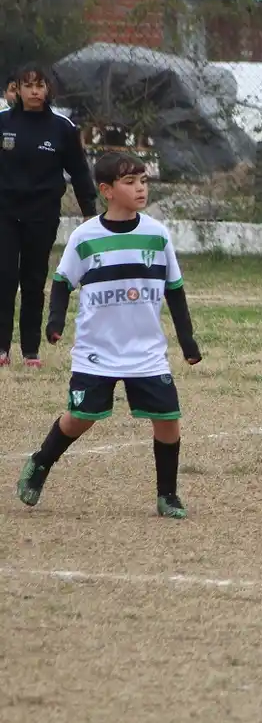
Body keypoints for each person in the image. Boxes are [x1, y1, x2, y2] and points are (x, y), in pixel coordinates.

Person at [14, 151, 200, 517]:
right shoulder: (85, 236)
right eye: (130, 182)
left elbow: (174, 289)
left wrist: (187, 339)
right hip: (96, 349)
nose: (140, 188)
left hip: (146, 350)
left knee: (168, 419)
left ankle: (167, 495)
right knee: (79, 418)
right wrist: (54, 321)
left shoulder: (157, 235)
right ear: (107, 191)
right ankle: (40, 463)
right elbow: (63, 281)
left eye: (143, 181)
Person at [0, 64, 96, 368]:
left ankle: (30, 351)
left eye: (39, 85)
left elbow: (80, 173)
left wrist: (90, 215)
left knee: (33, 280)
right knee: (4, 277)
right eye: (26, 86)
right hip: (4, 212)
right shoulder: (3, 123)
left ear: (48, 89)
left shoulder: (62, 128)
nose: (34, 91)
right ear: (16, 89)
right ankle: (2, 349)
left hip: (42, 214)